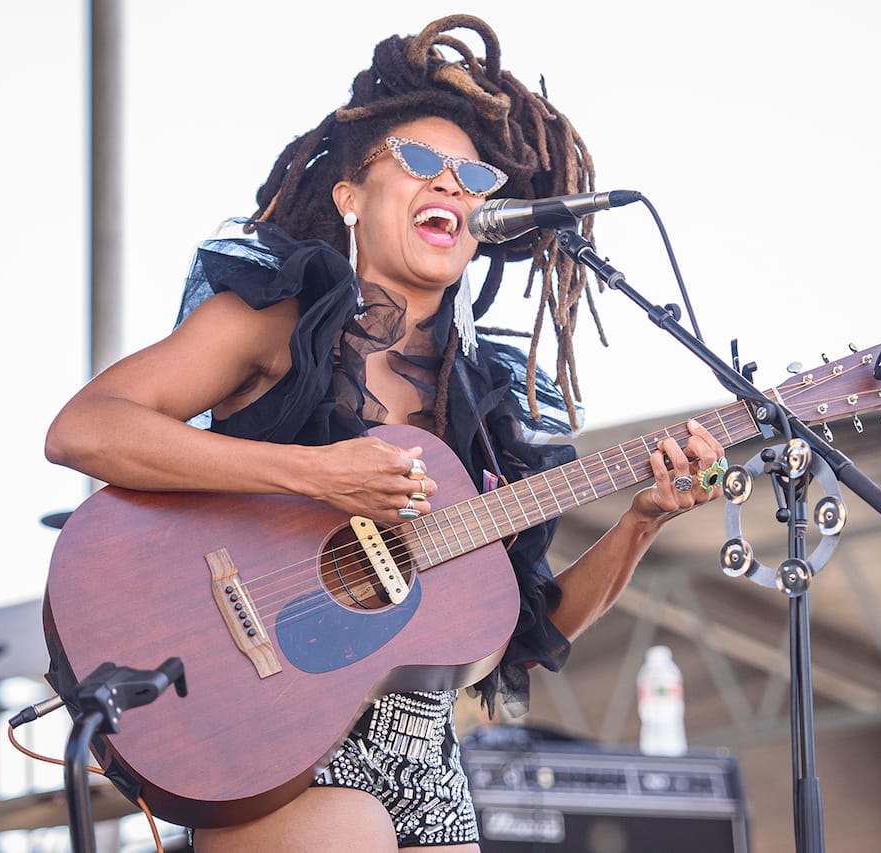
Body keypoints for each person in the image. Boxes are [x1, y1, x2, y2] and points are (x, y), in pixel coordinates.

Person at [45, 14, 724, 852]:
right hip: (269, 735)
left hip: (425, 770)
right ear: (350, 197)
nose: (452, 185)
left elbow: (519, 634)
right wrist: (314, 475)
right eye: (419, 162)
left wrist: (642, 521)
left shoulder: (489, 410)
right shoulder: (273, 325)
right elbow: (85, 429)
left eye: (472, 176)